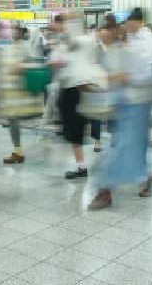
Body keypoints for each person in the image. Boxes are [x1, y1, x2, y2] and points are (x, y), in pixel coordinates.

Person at [89, 10, 152, 210]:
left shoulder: (133, 49)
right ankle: (148, 177)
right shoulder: (104, 53)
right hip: (118, 106)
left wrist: (126, 77)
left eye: (107, 28)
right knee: (129, 148)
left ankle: (104, 190)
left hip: (137, 105)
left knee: (120, 149)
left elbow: (149, 76)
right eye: (102, 28)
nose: (103, 32)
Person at [50, 11, 102, 180]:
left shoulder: (84, 40)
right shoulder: (67, 42)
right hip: (69, 88)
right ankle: (81, 165)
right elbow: (57, 59)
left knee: (76, 128)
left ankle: (82, 166)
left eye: (69, 22)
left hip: (77, 89)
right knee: (73, 129)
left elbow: (74, 46)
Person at [0, 26, 43, 164]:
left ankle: (18, 152)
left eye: (16, 31)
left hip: (21, 95)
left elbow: (35, 65)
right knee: (13, 122)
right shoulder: (11, 47)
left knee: (14, 121)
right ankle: (18, 151)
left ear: (23, 34)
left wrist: (21, 67)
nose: (13, 33)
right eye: (13, 30)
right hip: (13, 95)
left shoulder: (27, 47)